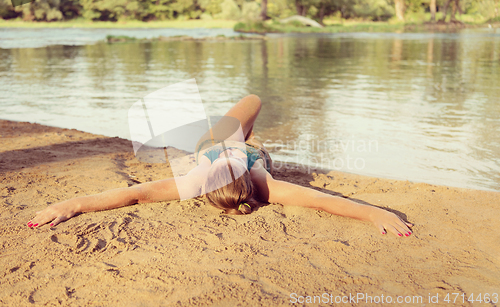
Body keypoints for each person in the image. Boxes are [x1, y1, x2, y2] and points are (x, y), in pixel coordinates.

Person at [27, 95, 413, 237]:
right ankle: (249, 138)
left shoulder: (197, 178)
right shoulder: (265, 183)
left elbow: (134, 195)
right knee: (253, 100)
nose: (232, 155)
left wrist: (73, 204)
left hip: (206, 144)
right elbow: (326, 201)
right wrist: (372, 212)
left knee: (245, 109)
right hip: (251, 150)